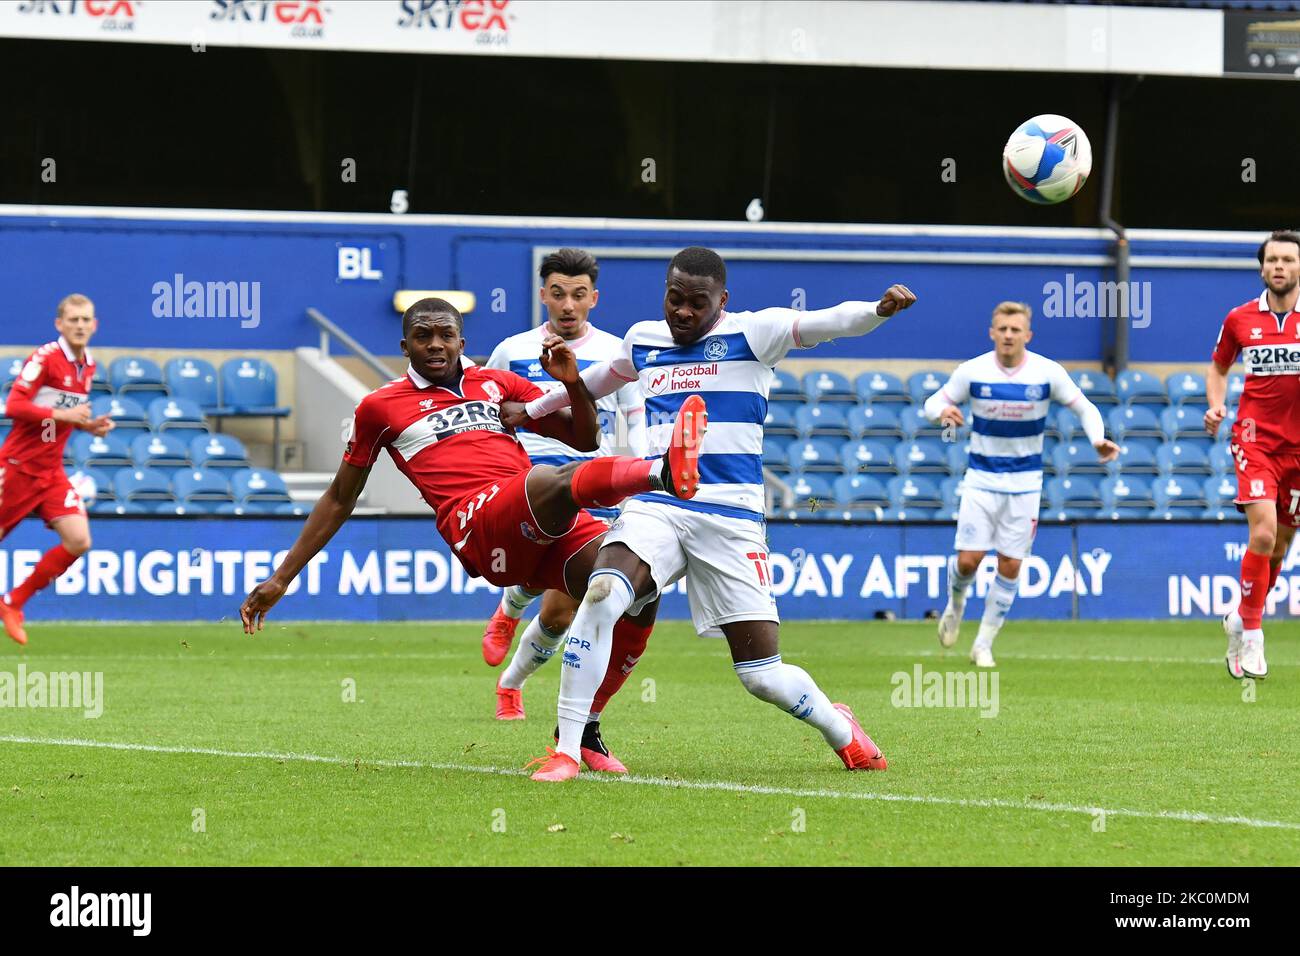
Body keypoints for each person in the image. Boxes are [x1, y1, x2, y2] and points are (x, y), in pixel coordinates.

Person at [506, 246, 915, 781]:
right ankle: (565, 749)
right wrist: (532, 409)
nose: (682, 312)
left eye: (697, 303)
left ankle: (840, 727)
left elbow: (826, 322)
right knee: (604, 592)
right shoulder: (643, 339)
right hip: (659, 504)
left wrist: (877, 310)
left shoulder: (756, 332)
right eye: (674, 299)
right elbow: (595, 380)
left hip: (731, 515)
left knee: (762, 676)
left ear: (723, 300)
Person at [238, 298, 701, 771]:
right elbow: (340, 497)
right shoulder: (380, 408)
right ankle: (661, 472)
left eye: (445, 335)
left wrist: (573, 384)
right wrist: (282, 578)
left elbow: (583, 439)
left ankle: (581, 731)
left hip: (534, 515)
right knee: (549, 479)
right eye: (423, 336)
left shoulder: (496, 383)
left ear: (463, 341)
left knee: (635, 587)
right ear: (405, 345)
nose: (436, 344)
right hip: (478, 524)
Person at [480, 249, 646, 741]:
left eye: (578, 295)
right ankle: (508, 614)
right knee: (544, 570)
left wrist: (636, 480)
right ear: (542, 295)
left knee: (560, 611)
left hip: (591, 485)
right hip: (529, 483)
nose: (568, 305)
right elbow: (487, 407)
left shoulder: (619, 352)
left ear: (594, 298)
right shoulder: (513, 349)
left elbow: (635, 419)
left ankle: (510, 682)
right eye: (558, 293)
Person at [923, 301, 1117, 667]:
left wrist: (1097, 439)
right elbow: (933, 402)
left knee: (1010, 565)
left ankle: (983, 644)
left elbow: (1086, 408)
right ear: (992, 332)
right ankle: (956, 603)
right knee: (968, 561)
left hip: (1026, 484)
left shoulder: (1047, 372)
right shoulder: (973, 371)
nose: (1009, 335)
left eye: (1016, 330)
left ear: (1027, 335)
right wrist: (940, 413)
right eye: (1003, 329)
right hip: (981, 480)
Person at [1206, 229, 1300, 680]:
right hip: (1254, 439)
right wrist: (1215, 404)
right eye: (1272, 260)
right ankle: (1254, 637)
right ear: (1262, 268)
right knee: (1263, 535)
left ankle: (1240, 617)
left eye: (1288, 259)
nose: (1279, 266)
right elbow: (1219, 367)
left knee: (1279, 546)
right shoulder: (1240, 319)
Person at [0, 293, 114, 646]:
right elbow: (14, 405)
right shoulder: (46, 358)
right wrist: (66, 416)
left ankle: (12, 602)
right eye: (73, 320)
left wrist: (87, 426)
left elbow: (58, 416)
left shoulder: (88, 366)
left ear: (94, 325)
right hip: (18, 469)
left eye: (86, 320)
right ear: (59, 324)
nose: (80, 326)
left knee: (79, 540)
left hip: (51, 473)